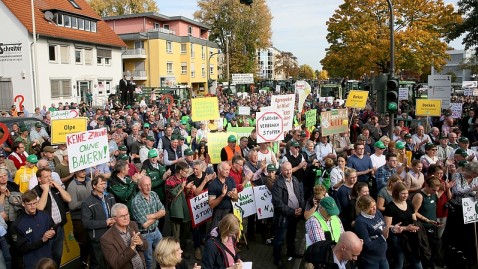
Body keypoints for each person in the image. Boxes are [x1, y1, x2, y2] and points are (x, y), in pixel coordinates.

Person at [33, 167, 72, 267]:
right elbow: (39, 208)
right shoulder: (35, 191)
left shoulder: (55, 187)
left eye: (50, 176)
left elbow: (68, 199)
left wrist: (58, 187)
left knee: (58, 255)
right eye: (46, 177)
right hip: (46, 230)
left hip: (59, 227)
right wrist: (45, 190)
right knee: (47, 258)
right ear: (39, 179)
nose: (49, 179)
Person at [10, 190, 56, 269]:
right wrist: (42, 240)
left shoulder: (45, 215)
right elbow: (21, 249)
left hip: (48, 260)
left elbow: (53, 228)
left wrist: (53, 232)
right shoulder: (17, 225)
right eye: (29, 204)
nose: (33, 206)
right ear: (23, 204)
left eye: (34, 203)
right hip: (31, 264)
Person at [271, 161, 305, 267]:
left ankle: (291, 252)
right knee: (279, 239)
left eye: (290, 169)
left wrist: (301, 207)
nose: (288, 171)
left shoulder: (294, 179)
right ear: (281, 171)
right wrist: (292, 211)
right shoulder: (278, 183)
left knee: (292, 235)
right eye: (286, 170)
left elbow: (300, 195)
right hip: (283, 216)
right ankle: (277, 259)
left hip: (295, 214)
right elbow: (277, 203)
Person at [383, 182, 423, 269]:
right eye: (403, 193)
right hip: (398, 239)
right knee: (399, 263)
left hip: (411, 237)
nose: (405, 195)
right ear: (396, 193)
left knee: (416, 262)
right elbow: (387, 226)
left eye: (407, 193)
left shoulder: (409, 203)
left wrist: (414, 227)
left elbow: (414, 219)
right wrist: (405, 228)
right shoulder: (390, 207)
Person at [81, 175, 116, 269]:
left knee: (111, 262)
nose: (104, 186)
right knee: (98, 264)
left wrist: (114, 219)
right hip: (97, 239)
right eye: (101, 184)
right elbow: (86, 223)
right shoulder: (87, 202)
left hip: (111, 235)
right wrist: (105, 222)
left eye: (105, 183)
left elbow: (115, 211)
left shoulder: (110, 197)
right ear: (94, 186)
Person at [131, 176, 165, 269]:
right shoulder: (136, 202)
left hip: (156, 231)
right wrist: (157, 215)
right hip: (145, 235)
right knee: (149, 261)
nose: (148, 187)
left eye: (149, 184)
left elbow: (163, 211)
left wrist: (149, 216)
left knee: (162, 255)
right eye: (145, 185)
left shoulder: (154, 194)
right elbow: (144, 224)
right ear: (139, 186)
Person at [100, 203, 148, 269]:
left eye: (127, 214)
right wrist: (131, 247)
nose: (126, 218)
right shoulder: (106, 239)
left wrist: (140, 243)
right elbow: (116, 264)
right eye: (122, 216)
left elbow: (145, 246)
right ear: (114, 219)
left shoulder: (132, 224)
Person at [412, 176, 443, 268]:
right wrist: (427, 220)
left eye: (436, 190)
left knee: (436, 247)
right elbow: (414, 212)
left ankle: (435, 263)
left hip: (433, 225)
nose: (435, 192)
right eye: (433, 190)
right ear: (427, 186)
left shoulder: (434, 193)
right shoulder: (419, 196)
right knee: (426, 250)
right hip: (423, 226)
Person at [165, 161, 193, 256]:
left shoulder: (184, 179)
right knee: (176, 233)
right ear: (180, 171)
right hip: (175, 210)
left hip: (184, 208)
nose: (186, 173)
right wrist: (181, 187)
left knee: (185, 230)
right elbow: (171, 196)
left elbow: (186, 193)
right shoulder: (170, 180)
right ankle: (175, 253)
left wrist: (188, 188)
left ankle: (182, 249)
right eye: (185, 171)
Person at [66, 169, 92, 268]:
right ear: (75, 171)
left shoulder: (90, 181)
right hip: (79, 219)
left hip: (90, 216)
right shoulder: (72, 186)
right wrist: (86, 202)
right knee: (84, 244)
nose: (83, 172)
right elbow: (72, 206)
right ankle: (84, 263)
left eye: (84, 170)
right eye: (80, 170)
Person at [354, 195, 388, 269]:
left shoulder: (377, 213)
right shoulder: (360, 222)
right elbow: (367, 245)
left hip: (383, 256)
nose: (375, 208)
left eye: (375, 205)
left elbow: (384, 229)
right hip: (370, 260)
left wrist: (393, 229)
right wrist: (382, 238)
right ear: (364, 208)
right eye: (371, 207)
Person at [208, 162, 238, 231]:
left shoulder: (231, 180)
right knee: (216, 235)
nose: (228, 172)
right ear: (219, 170)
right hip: (218, 214)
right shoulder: (213, 184)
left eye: (229, 170)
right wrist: (222, 195)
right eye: (225, 170)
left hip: (230, 212)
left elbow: (236, 198)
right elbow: (211, 205)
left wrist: (233, 195)